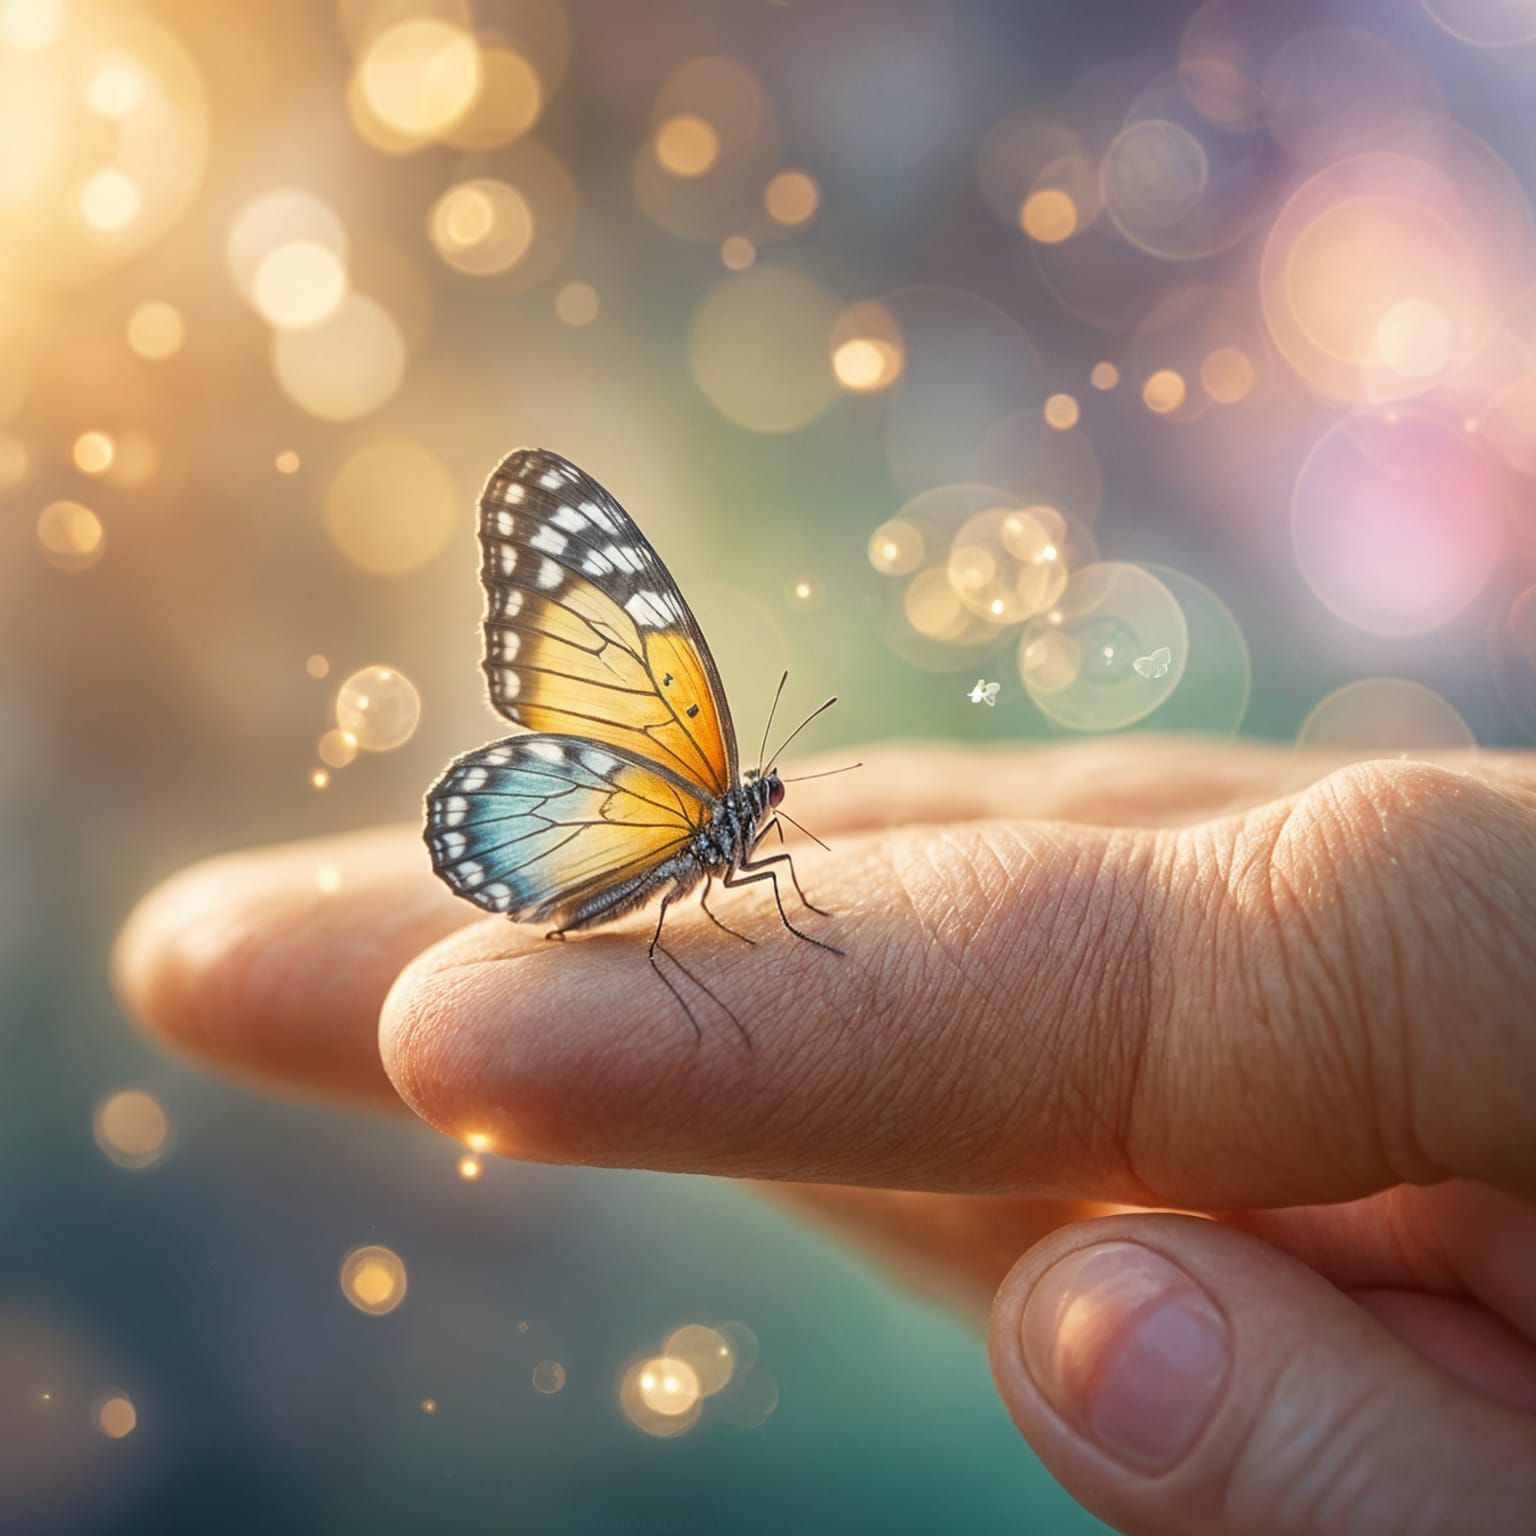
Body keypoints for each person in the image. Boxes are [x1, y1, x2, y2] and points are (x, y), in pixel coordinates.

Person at [114, 738, 1536, 1535]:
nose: (771, 809)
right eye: (768, 797)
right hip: (579, 842)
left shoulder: (746, 830)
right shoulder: (697, 789)